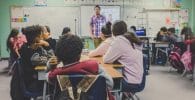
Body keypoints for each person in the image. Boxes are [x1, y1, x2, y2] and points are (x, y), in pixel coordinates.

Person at [47, 34, 114, 99]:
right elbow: (110, 84)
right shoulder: (93, 66)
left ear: (59, 56)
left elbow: (48, 77)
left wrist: (51, 66)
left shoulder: (55, 74)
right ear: (80, 54)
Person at [10, 25, 53, 100]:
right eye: (41, 34)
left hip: (34, 79)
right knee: (56, 84)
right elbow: (50, 60)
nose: (43, 36)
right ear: (37, 38)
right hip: (32, 83)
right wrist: (47, 45)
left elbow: (49, 58)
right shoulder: (30, 53)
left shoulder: (34, 47)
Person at [103, 20, 144, 94]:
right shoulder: (130, 38)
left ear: (113, 31)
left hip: (131, 83)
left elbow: (106, 59)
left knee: (102, 81)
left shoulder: (119, 40)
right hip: (138, 80)